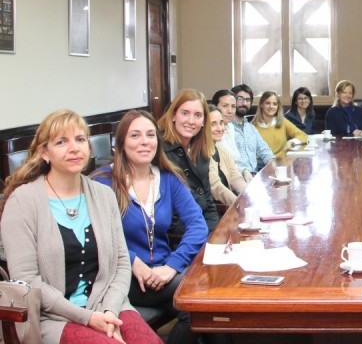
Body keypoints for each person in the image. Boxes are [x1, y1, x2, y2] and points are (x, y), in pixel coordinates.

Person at [0, 110, 160, 343]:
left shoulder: (104, 195)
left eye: (80, 139)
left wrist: (109, 312)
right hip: (52, 318)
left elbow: (122, 265)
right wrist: (88, 318)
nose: (74, 148)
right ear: (44, 152)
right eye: (61, 142)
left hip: (108, 305)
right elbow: (29, 283)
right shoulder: (22, 202)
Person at [92, 110, 208, 344]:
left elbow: (198, 225)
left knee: (207, 311)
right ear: (121, 143)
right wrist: (134, 261)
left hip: (164, 274)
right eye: (135, 135)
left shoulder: (167, 178)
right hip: (124, 278)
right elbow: (99, 235)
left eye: (150, 135)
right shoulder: (103, 183)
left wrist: (172, 265)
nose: (145, 141)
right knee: (201, 305)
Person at [157, 89, 219, 239]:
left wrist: (213, 234)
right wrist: (200, 236)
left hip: (202, 229)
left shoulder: (201, 149)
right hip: (177, 237)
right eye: (185, 113)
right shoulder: (159, 150)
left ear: (204, 121)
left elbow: (208, 201)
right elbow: (168, 214)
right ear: (173, 115)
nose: (191, 121)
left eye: (198, 115)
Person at [226, 85, 276, 176]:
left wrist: (273, 165)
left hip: (255, 177)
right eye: (240, 99)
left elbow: (265, 151)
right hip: (236, 177)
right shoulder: (225, 128)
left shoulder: (251, 128)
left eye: (248, 100)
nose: (244, 103)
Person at [207, 104, 247, 205]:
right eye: (213, 124)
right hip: (215, 210)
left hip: (229, 206)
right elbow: (217, 188)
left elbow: (236, 178)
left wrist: (249, 197)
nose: (220, 128)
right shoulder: (201, 155)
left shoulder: (223, 151)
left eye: (221, 123)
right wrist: (239, 204)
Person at [252, 91, 308, 157]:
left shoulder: (283, 122)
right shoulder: (252, 127)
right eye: (267, 103)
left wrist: (291, 142)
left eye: (275, 104)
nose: (271, 106)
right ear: (261, 105)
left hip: (280, 162)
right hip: (260, 164)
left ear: (278, 107)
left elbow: (304, 136)